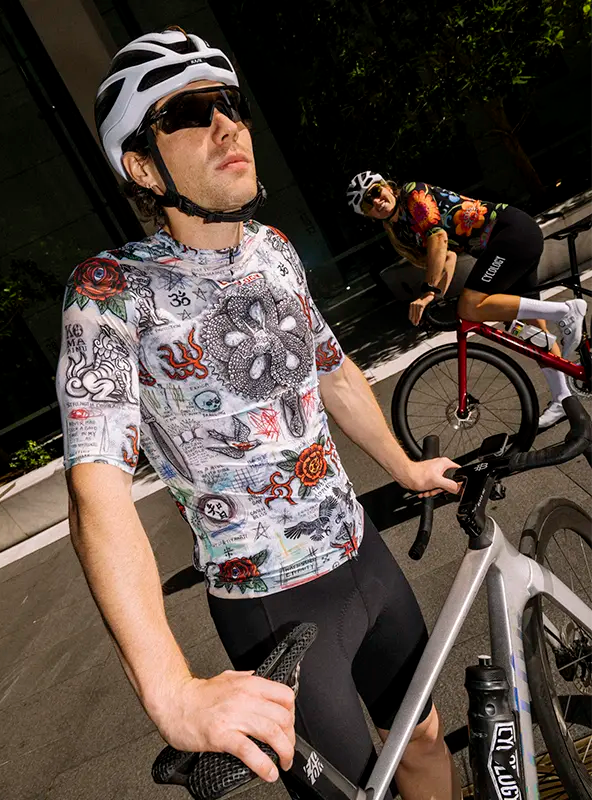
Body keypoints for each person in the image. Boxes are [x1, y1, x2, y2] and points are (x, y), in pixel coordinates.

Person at [56, 29, 462, 800]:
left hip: (363, 555)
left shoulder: (274, 248)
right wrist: (170, 690)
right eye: (187, 114)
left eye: (229, 105)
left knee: (426, 740)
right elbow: (95, 489)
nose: (226, 125)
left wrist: (406, 468)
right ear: (140, 166)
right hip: (274, 606)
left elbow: (331, 367)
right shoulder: (108, 293)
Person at [347, 171, 588, 430]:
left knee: (468, 306)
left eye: (375, 192)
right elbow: (448, 257)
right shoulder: (401, 227)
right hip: (505, 244)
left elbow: (438, 238)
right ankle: (563, 399)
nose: (376, 202)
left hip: (509, 233)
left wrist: (427, 291)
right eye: (367, 204)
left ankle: (565, 311)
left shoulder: (413, 194)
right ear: (368, 216)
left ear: (387, 186)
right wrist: (435, 295)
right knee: (534, 334)